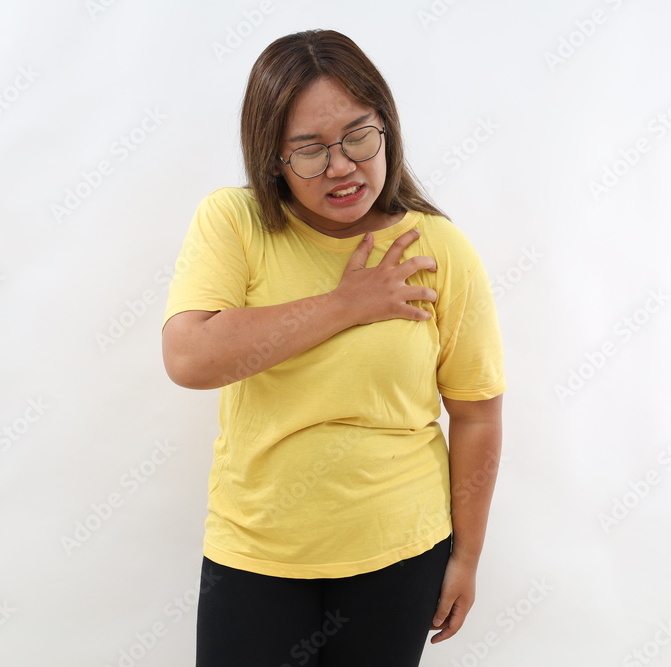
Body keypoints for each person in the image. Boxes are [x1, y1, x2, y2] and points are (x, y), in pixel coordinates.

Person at [161, 28, 505, 667]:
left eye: (358, 135)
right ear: (272, 158)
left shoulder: (439, 248)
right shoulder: (233, 222)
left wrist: (467, 557)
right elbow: (190, 358)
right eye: (310, 149)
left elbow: (478, 412)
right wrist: (347, 303)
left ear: (387, 128)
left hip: (400, 552)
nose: (343, 165)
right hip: (256, 550)